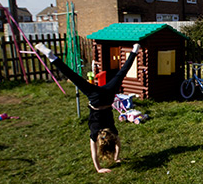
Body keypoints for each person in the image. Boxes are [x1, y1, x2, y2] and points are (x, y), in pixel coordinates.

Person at [36, 42, 140, 173]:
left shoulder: (112, 131)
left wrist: (115, 158)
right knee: (73, 76)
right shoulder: (95, 133)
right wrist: (99, 168)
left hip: (107, 97)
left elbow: (118, 143)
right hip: (96, 98)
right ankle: (51, 56)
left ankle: (135, 51)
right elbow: (94, 153)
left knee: (121, 73)